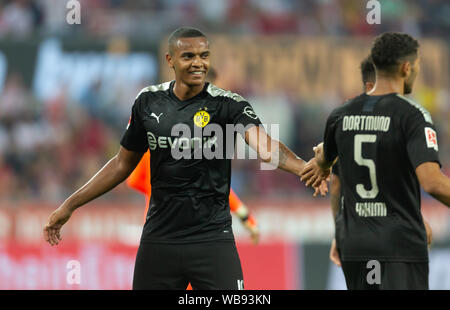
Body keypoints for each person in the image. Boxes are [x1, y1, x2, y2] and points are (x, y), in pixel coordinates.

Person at [43, 27, 323, 290]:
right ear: (170, 60)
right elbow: (121, 164)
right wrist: (69, 205)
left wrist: (306, 168)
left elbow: (266, 148)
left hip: (212, 241)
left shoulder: (228, 105)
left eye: (204, 56)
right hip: (159, 242)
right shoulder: (148, 103)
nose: (198, 63)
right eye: (188, 56)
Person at [302, 32, 450, 289]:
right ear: (406, 67)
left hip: (356, 244)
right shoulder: (412, 116)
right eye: (416, 65)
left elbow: (333, 179)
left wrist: (341, 233)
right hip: (399, 244)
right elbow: (433, 183)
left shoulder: (340, 116)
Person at [328, 57, 433, 268]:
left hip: (356, 237)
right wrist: (417, 219)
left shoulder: (343, 121)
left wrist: (340, 232)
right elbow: (418, 182)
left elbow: (336, 186)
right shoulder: (403, 122)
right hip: (398, 235)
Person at [126, 150, 260, 245]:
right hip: (192, 229)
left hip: (155, 227)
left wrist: (154, 192)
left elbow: (134, 181)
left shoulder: (151, 146)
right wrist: (244, 215)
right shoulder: (193, 145)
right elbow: (214, 184)